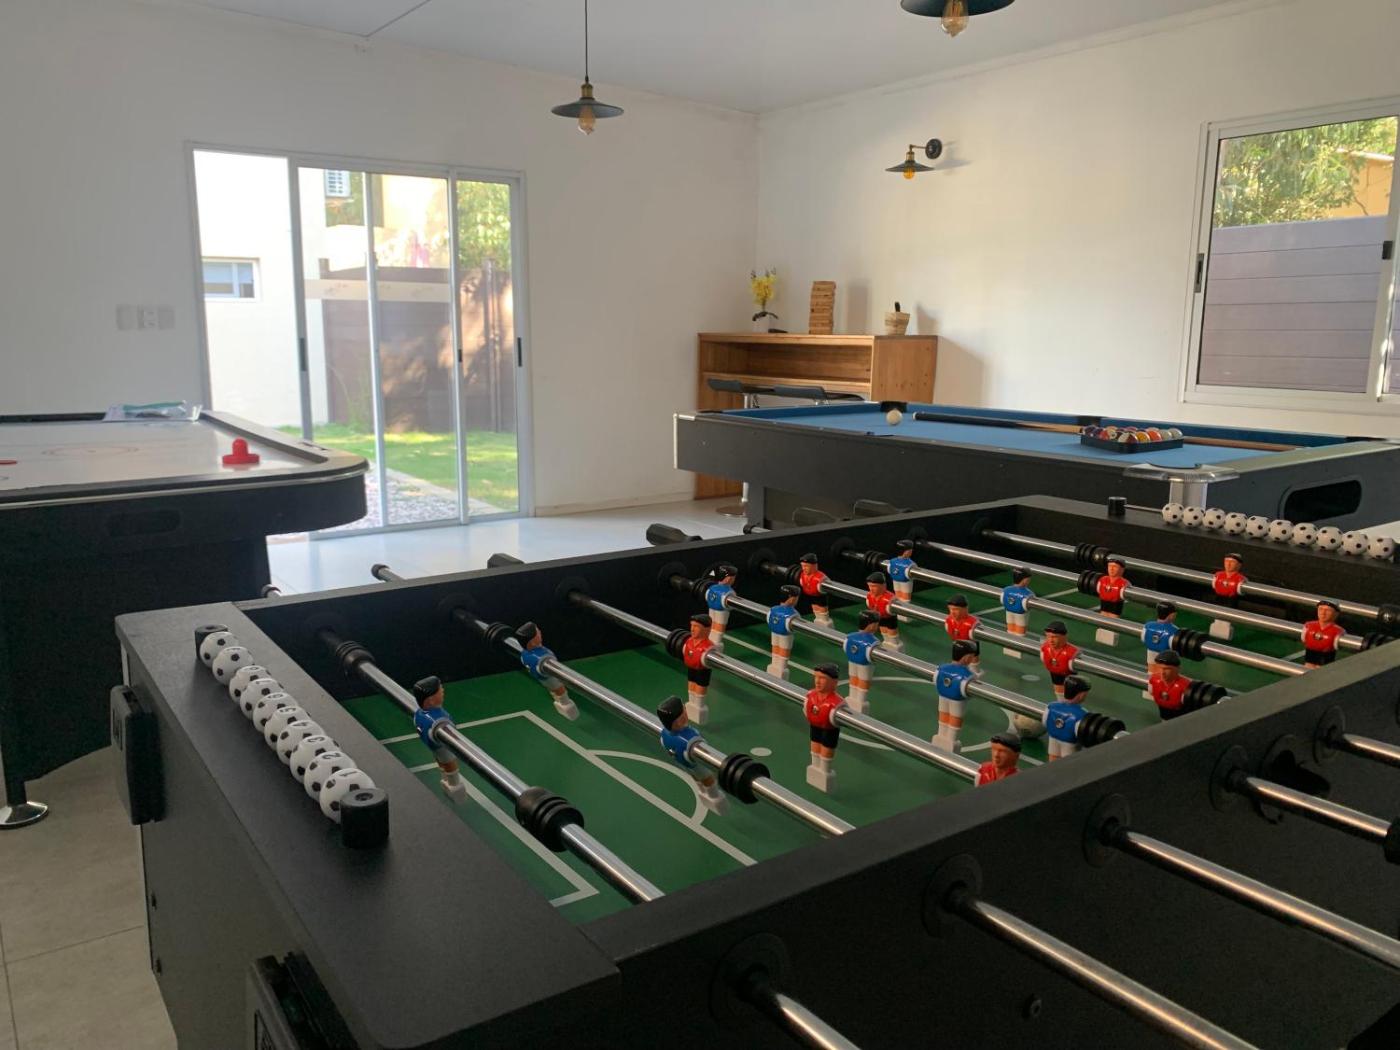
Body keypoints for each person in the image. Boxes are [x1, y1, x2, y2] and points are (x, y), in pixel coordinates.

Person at [656, 695, 726, 814]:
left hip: (682, 762)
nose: (686, 710)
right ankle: (713, 796)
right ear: (679, 721)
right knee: (708, 779)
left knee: (695, 776)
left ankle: (701, 790)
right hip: (696, 764)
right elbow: (704, 751)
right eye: (684, 710)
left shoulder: (664, 734)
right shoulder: (690, 738)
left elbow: (665, 745)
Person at [411, 676, 468, 802]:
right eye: (440, 689)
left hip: (433, 746)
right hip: (442, 747)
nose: (443, 690)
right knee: (449, 763)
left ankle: (445, 778)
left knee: (441, 761)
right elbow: (452, 736)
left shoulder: (419, 714)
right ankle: (454, 786)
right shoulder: (438, 721)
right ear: (431, 700)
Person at [514, 621, 580, 720]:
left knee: (554, 689)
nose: (540, 632)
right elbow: (542, 667)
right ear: (532, 642)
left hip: (543, 677)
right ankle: (566, 705)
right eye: (537, 632)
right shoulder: (539, 658)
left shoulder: (526, 653)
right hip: (549, 677)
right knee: (559, 689)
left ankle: (559, 699)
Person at [803, 663, 845, 793]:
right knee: (815, 746)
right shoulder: (811, 696)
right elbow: (806, 710)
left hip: (829, 730)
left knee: (826, 750)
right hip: (815, 726)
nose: (817, 681)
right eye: (816, 677)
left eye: (822, 678)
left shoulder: (836, 703)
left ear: (834, 682)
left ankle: (824, 771)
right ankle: (815, 767)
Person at [933, 640, 980, 753]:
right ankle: (951, 739)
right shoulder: (968, 676)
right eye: (971, 657)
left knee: (943, 715)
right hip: (957, 700)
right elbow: (969, 692)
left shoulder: (941, 668)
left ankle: (941, 735)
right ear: (966, 658)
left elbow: (936, 681)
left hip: (942, 697)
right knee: (955, 718)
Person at [1043, 674, 1092, 760]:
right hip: (1070, 743)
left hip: (1053, 738)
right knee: (1068, 761)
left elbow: (1045, 722)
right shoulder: (1082, 714)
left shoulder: (1051, 706)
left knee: (1053, 756)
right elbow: (1082, 734)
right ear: (1081, 695)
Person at [843, 610, 882, 713]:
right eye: (876, 624)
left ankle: (852, 697)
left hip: (852, 662)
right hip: (865, 664)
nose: (877, 626)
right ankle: (860, 700)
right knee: (863, 680)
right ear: (871, 625)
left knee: (853, 677)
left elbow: (845, 648)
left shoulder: (850, 637)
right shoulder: (873, 642)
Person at [1140, 601, 1179, 699]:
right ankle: (1160, 692)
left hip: (1150, 653)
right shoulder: (1174, 631)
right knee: (1164, 674)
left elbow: (1143, 639)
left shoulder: (1148, 626)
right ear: (1171, 615)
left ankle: (1150, 689)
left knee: (1151, 671)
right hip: (1166, 657)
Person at [682, 613, 715, 722]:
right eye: (691, 625)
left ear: (706, 630)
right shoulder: (689, 641)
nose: (692, 629)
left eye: (696, 626)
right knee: (691, 685)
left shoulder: (708, 646)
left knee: (700, 687)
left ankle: (699, 706)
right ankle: (691, 704)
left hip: (702, 671)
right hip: (691, 668)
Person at [767, 584, 802, 678]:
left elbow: (769, 620)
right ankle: (781, 668)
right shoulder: (794, 614)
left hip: (774, 632)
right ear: (791, 599)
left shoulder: (773, 609)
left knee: (775, 646)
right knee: (784, 648)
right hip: (786, 634)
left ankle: (774, 664)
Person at [1094, 557, 1130, 646]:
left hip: (1115, 604)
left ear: (1122, 570)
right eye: (1109, 566)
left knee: (1113, 619)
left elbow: (1127, 592)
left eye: (1115, 567)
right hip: (1104, 602)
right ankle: (1102, 635)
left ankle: (1110, 637)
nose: (1111, 569)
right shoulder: (1103, 580)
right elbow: (1099, 589)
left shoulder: (1123, 583)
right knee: (1103, 616)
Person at [1210, 553, 1246, 640]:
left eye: (1232, 562)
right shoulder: (1218, 575)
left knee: (1227, 618)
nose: (1228, 564)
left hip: (1231, 600)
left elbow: (1241, 589)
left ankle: (1225, 635)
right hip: (1219, 598)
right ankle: (1215, 633)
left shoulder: (1240, 579)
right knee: (1217, 615)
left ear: (1239, 565)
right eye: (1226, 561)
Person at [1040, 621, 1079, 699]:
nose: (1051, 640)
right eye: (1048, 636)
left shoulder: (1072, 653)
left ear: (1064, 637)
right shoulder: (1045, 648)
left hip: (1068, 676)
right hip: (1055, 674)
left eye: (1054, 637)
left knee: (1070, 696)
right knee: (1059, 693)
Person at [1000, 567, 1034, 659]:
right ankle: (1018, 648)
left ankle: (1010, 646)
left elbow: (1002, 600)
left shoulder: (1006, 590)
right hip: (1021, 614)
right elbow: (1030, 604)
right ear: (1024, 580)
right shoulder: (1028, 593)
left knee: (1010, 629)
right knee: (1020, 631)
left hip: (1008, 612)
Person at [1147, 651, 1190, 720]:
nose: (1162, 672)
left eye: (1167, 669)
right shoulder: (1154, 681)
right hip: (1163, 715)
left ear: (1177, 669)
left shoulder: (1185, 687)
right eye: (1160, 668)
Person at [1302, 599, 1345, 669]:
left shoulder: (1338, 631)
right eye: (1320, 609)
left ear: (1336, 614)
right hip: (1309, 659)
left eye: (1328, 610)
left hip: (1326, 661)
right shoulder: (1308, 626)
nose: (1323, 613)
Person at [944, 595, 981, 673]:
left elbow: (975, 649)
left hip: (970, 648)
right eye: (950, 609)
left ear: (965, 609)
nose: (952, 612)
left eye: (955, 609)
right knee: (955, 667)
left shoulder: (973, 624)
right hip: (957, 647)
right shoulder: (949, 621)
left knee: (973, 670)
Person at [866, 571, 902, 650]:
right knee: (884, 632)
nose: (871, 589)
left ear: (883, 586)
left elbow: (894, 603)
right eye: (869, 586)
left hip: (889, 618)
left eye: (874, 586)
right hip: (880, 617)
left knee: (892, 634)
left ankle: (895, 646)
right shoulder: (870, 596)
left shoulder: (889, 598)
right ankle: (887, 643)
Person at [705, 564, 738, 648]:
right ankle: (715, 643)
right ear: (728, 579)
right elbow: (733, 605)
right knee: (719, 626)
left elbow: (707, 596)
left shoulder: (712, 588)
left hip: (712, 608)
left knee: (712, 624)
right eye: (733, 578)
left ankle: (710, 641)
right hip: (721, 611)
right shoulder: (730, 592)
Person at [798, 553, 832, 627]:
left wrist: (822, 586)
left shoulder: (821, 577)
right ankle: (818, 620)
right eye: (802, 566)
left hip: (820, 596)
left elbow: (829, 584)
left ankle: (825, 622)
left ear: (814, 566)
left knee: (822, 610)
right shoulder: (803, 575)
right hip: (811, 596)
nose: (803, 568)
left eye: (806, 566)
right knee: (815, 608)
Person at [887, 540, 918, 620]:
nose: (911, 551)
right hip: (905, 583)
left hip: (897, 581)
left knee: (900, 596)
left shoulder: (892, 561)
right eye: (910, 550)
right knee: (904, 597)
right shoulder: (911, 564)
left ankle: (902, 614)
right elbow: (915, 575)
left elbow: (889, 570)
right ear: (905, 552)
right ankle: (903, 615)